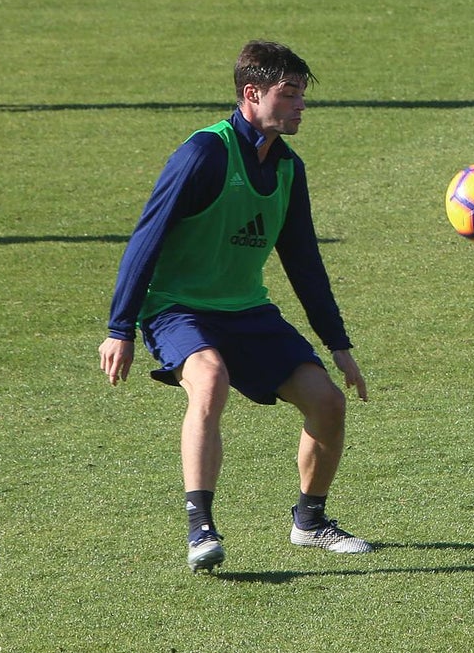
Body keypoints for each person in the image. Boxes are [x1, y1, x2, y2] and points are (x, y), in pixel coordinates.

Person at [98, 40, 373, 573]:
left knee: (327, 403)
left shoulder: (289, 169)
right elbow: (146, 239)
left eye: (301, 96)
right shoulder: (204, 154)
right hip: (178, 308)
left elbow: (304, 262)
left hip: (247, 311)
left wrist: (337, 344)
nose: (300, 106)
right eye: (288, 94)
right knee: (210, 377)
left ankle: (310, 522)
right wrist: (120, 328)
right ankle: (200, 528)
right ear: (252, 94)